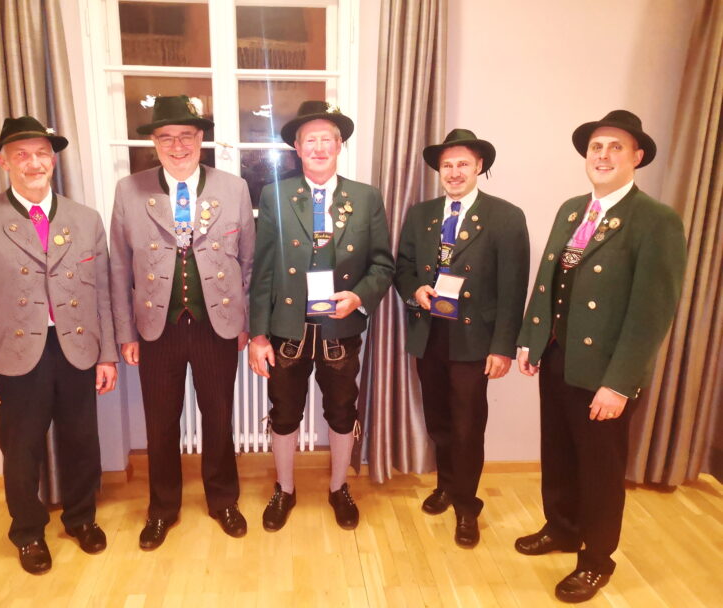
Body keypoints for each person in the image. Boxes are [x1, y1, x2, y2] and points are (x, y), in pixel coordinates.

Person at [515, 110, 686, 603]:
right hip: (558, 357)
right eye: (596, 147)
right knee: (559, 453)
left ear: (637, 157)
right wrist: (531, 338)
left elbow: (652, 313)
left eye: (616, 147)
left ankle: (596, 560)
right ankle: (562, 528)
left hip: (604, 372)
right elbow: (548, 279)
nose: (603, 155)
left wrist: (620, 383)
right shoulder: (573, 210)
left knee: (600, 470)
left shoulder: (655, 220)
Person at [0, 116, 118, 574]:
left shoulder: (86, 219)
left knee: (82, 440)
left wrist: (107, 355)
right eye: (21, 155)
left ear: (53, 160)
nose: (34, 163)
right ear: (3, 162)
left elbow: (102, 293)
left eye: (42, 153)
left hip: (77, 348)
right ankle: (27, 532)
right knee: (21, 449)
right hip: (15, 352)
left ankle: (81, 518)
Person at [109, 95, 255, 546]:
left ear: (201, 138)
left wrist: (244, 323)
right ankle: (162, 509)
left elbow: (248, 262)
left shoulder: (234, 188)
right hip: (157, 329)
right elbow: (118, 267)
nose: (177, 146)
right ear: (154, 142)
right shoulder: (129, 190)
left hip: (217, 326)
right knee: (160, 423)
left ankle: (223, 500)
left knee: (219, 417)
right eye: (166, 137)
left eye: (186, 136)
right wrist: (125, 333)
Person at [248, 100, 394, 531]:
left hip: (340, 326)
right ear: (297, 147)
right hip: (287, 327)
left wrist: (359, 296)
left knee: (342, 411)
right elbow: (263, 269)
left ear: (339, 145)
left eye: (326, 139)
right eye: (309, 140)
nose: (318, 147)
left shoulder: (366, 197)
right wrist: (258, 335)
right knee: (284, 411)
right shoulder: (275, 195)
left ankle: (338, 487)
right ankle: (285, 488)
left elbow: (382, 264)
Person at [394, 129, 529, 547]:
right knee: (438, 420)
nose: (454, 172)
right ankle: (447, 486)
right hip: (430, 334)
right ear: (439, 170)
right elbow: (403, 267)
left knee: (468, 427)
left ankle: (467, 506)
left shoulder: (506, 216)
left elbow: (513, 288)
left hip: (474, 340)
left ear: (479, 167)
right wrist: (415, 290)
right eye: (447, 165)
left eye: (463, 164)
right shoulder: (421, 214)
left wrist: (502, 347)